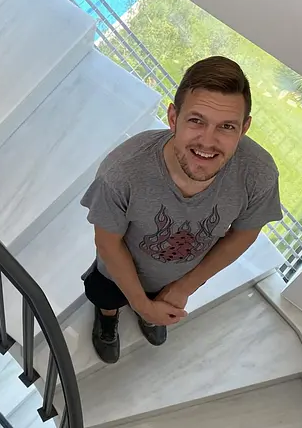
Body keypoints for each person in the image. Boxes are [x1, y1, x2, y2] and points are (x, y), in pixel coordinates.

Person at [80, 56, 282, 363]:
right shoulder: (122, 173)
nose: (208, 142)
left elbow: (243, 235)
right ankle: (109, 318)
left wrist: (186, 285)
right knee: (106, 296)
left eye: (226, 126)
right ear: (174, 117)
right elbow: (107, 243)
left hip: (179, 276)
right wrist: (141, 303)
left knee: (163, 302)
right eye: (196, 120)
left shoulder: (259, 174)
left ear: (244, 129)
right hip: (117, 272)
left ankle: (153, 315)